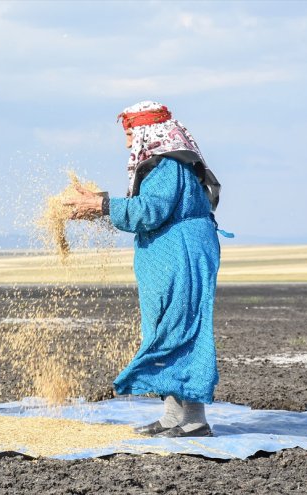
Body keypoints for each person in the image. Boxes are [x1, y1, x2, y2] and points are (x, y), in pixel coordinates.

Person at [65, 101, 227, 438]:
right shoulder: (162, 167)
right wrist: (100, 203)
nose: (126, 143)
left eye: (129, 134)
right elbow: (149, 209)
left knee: (181, 332)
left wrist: (101, 204)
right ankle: (172, 417)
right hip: (171, 256)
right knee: (165, 332)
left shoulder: (167, 166)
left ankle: (194, 421)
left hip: (183, 255)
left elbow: (150, 211)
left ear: (146, 132)